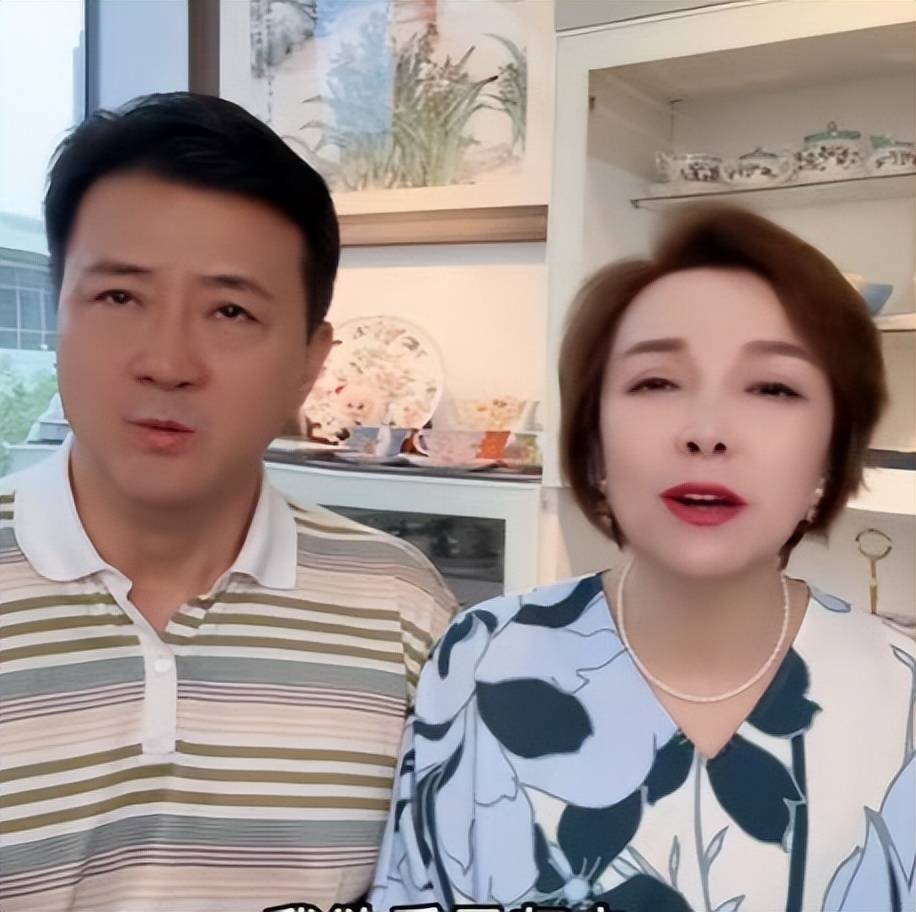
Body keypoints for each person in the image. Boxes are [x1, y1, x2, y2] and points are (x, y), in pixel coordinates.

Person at [370, 206, 915, 912]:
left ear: (832, 454)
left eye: (773, 387)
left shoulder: (903, 697)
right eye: (656, 382)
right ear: (593, 443)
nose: (707, 432)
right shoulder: (481, 659)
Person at [0, 92, 456, 912]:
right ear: (57, 313)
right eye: (119, 297)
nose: (168, 363)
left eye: (231, 310)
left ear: (310, 362)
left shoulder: (401, 608)